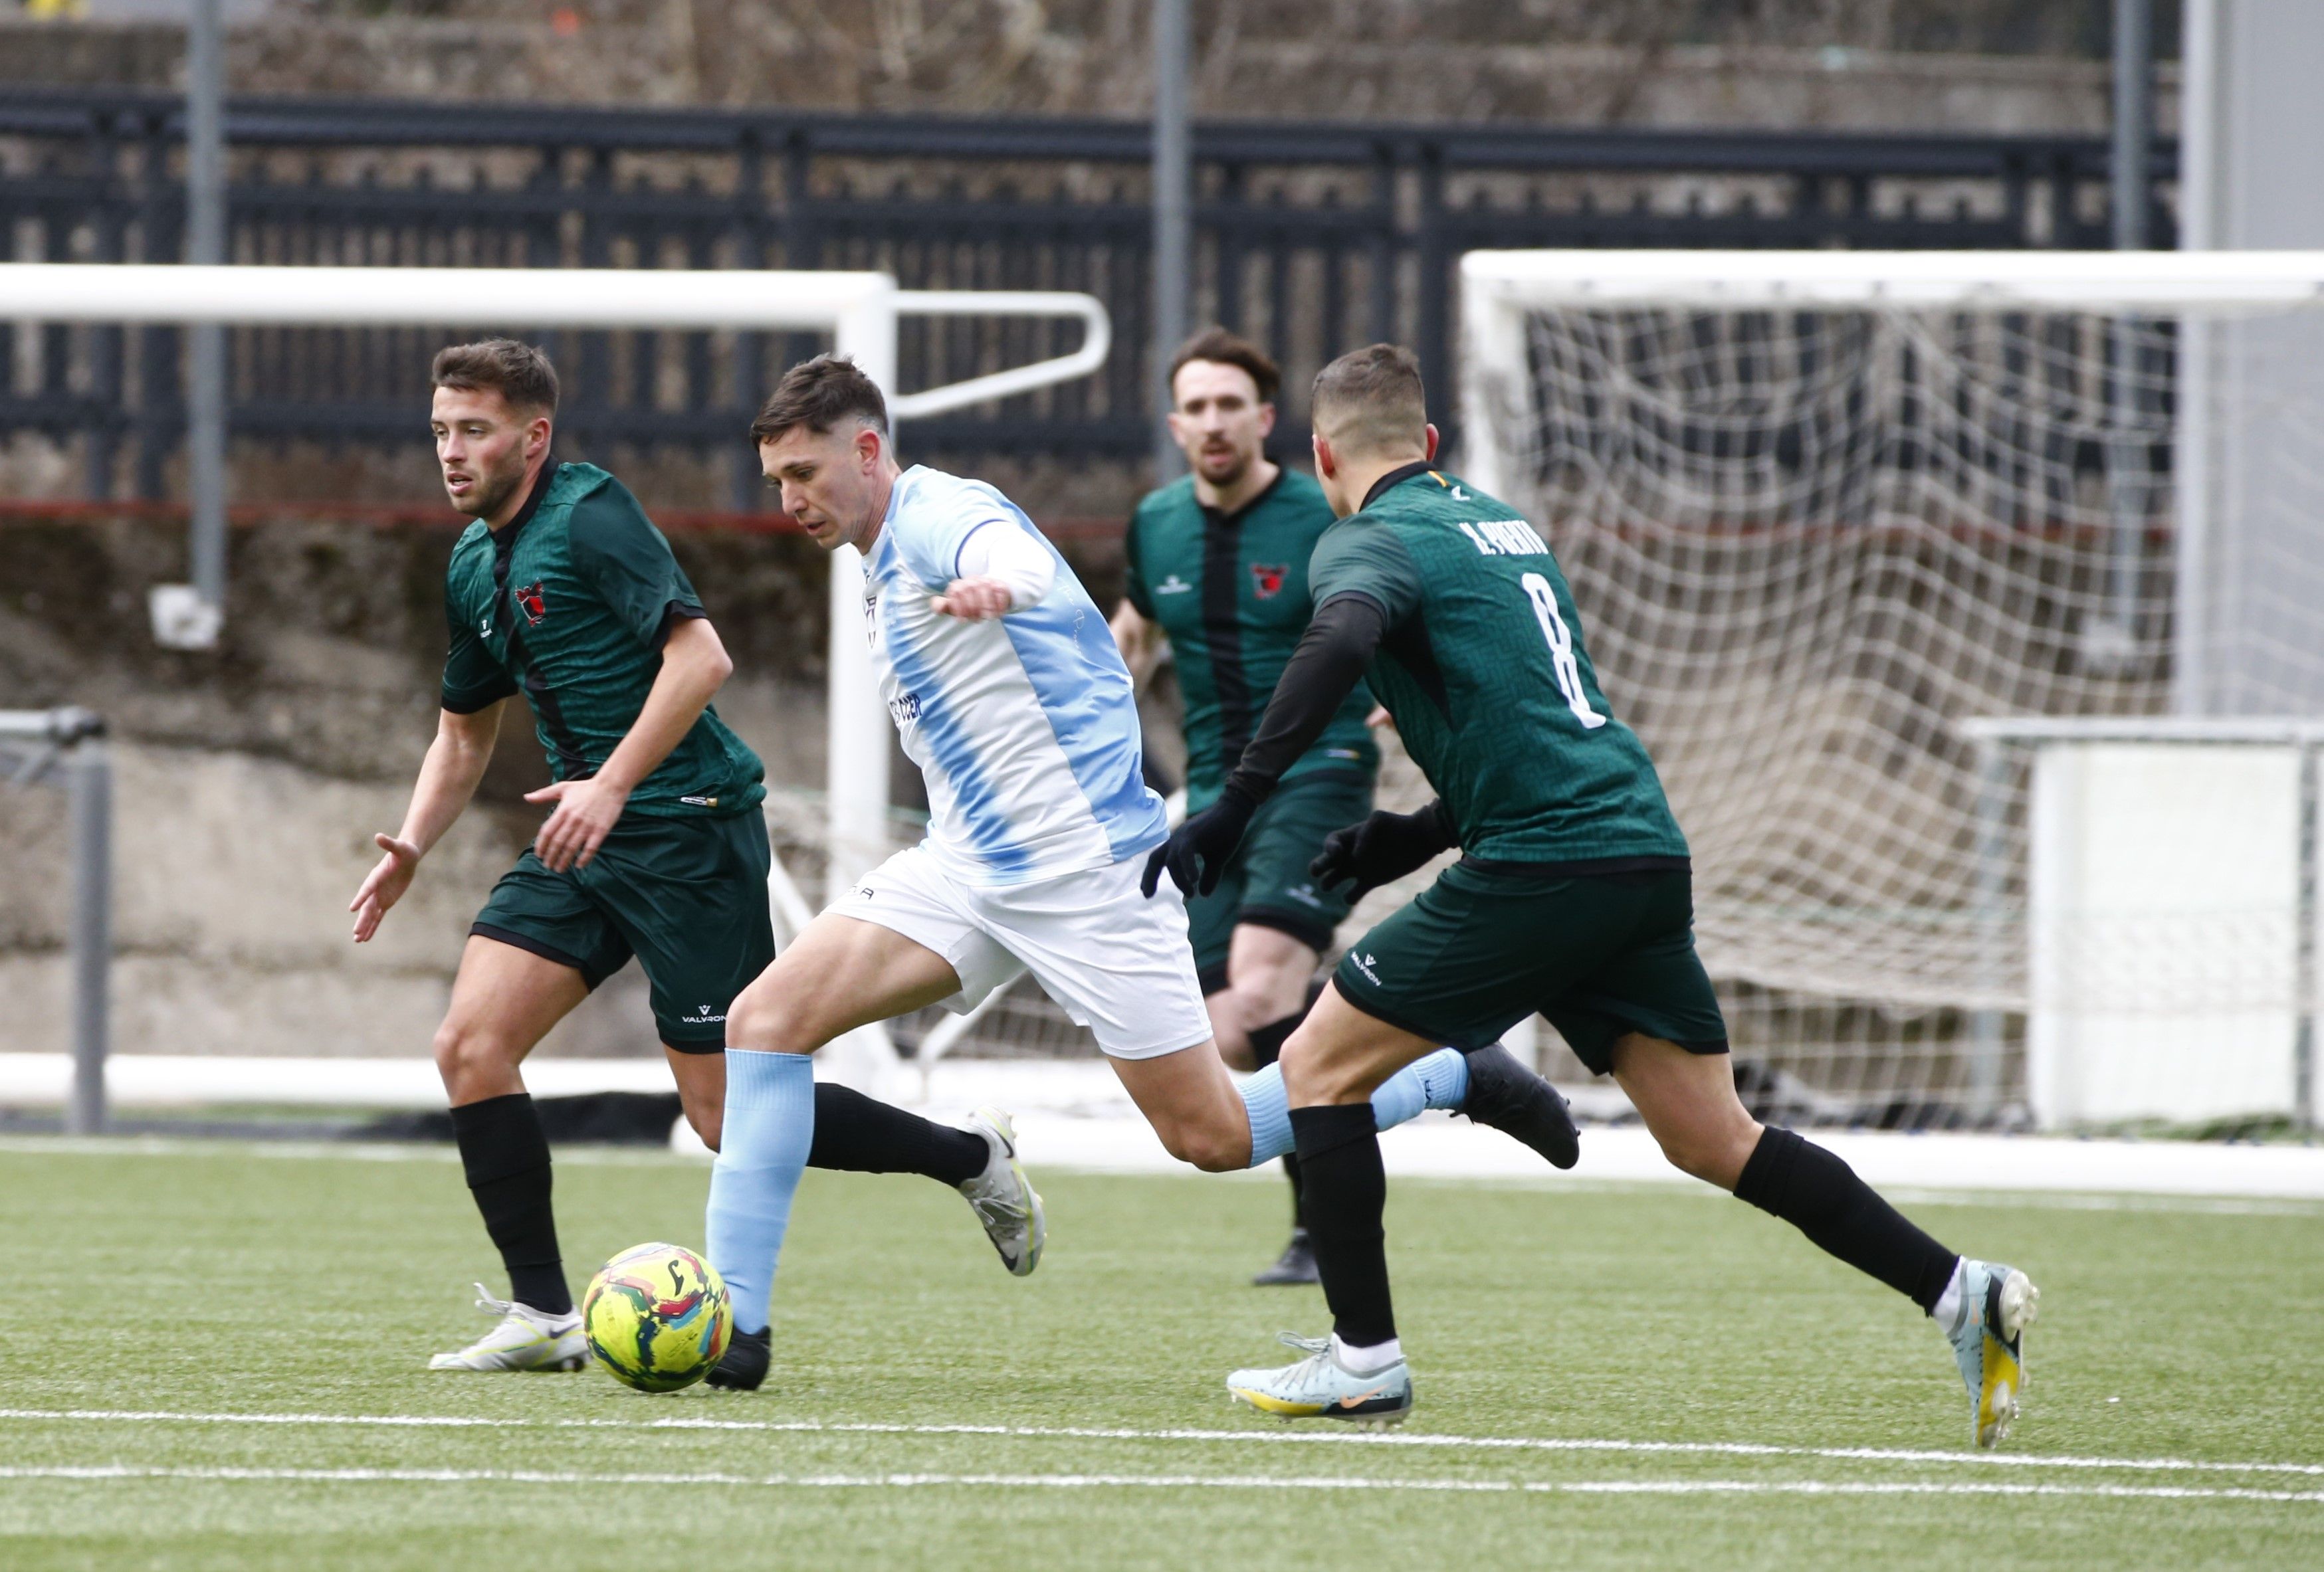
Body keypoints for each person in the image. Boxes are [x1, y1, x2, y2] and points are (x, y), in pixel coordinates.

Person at [1150, 344, 2041, 1446]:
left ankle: (1363, 1361)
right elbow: (1536, 730)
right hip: (1635, 855)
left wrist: (1231, 807)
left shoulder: (1364, 538)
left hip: (1543, 864)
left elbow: (1339, 633)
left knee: (1319, 1069)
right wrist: (1409, 836)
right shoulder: (1500, 525)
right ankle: (1960, 1291)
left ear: (1320, 454)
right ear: (1429, 445)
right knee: (1715, 1137)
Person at [698, 353, 1582, 1391]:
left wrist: (1001, 584)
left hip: (1090, 877)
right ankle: (735, 1331)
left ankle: (1453, 1072)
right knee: (762, 1025)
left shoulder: (944, 515)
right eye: (776, 484)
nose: (792, 499)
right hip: (965, 869)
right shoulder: (877, 550)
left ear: (866, 449)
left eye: (805, 472)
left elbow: (1006, 555)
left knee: (1211, 1134)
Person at [352, 339, 1035, 1373]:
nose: (451, 451)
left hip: (687, 822)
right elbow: (463, 733)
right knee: (469, 1045)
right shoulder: (473, 560)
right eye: (441, 430)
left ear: (533, 437)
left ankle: (967, 1154)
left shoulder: (588, 513)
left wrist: (613, 782)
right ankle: (544, 1315)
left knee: (723, 1115)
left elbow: (701, 656)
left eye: (474, 430)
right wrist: (410, 842)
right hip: (580, 830)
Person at [1110, 328, 1382, 1286]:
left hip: (1320, 771)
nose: (1215, 422)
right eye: (1198, 406)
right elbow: (1132, 642)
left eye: (1234, 405)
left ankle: (1420, 1088)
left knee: (1261, 987)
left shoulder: (1323, 513)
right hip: (1216, 795)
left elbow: (1403, 606)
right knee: (1228, 1028)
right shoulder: (1156, 523)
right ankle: (1408, 1055)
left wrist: (1415, 686)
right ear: (1176, 423)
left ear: (1266, 420)